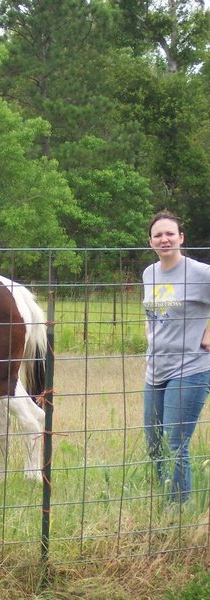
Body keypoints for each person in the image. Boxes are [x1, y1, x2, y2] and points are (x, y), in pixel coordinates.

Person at [142, 210, 210, 504]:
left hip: (190, 367)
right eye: (158, 235)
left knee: (174, 443)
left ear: (181, 238)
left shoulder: (200, 273)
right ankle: (164, 500)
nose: (164, 239)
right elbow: (152, 314)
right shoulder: (149, 273)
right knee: (153, 443)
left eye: (170, 233)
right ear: (150, 242)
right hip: (155, 368)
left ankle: (178, 510)